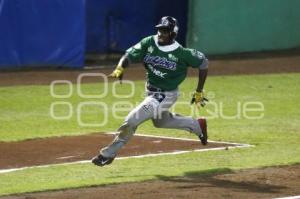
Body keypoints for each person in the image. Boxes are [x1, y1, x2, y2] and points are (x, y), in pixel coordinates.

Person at [92, 16, 209, 167]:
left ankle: (108, 154)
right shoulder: (149, 42)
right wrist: (120, 67)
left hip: (166, 95)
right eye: (160, 29)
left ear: (173, 33)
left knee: (132, 120)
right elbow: (129, 55)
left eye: (165, 31)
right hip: (151, 92)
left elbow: (203, 63)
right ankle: (197, 125)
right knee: (162, 122)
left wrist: (199, 91)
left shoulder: (182, 53)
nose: (161, 33)